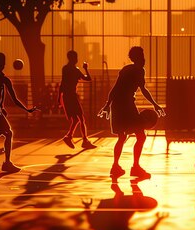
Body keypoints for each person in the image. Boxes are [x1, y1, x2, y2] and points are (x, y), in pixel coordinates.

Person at [98, 46, 165, 180]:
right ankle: (135, 167)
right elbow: (143, 89)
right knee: (141, 136)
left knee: (122, 137)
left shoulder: (126, 69)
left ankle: (115, 167)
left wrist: (107, 105)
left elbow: (115, 88)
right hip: (127, 104)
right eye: (142, 55)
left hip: (117, 104)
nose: (144, 58)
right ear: (139, 57)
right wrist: (155, 104)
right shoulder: (139, 70)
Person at [58, 50, 97, 149]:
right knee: (80, 118)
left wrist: (59, 96)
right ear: (72, 58)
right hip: (70, 96)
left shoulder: (68, 69)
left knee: (76, 119)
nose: (76, 59)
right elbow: (88, 78)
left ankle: (69, 137)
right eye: (75, 57)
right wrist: (86, 69)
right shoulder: (73, 69)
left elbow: (62, 83)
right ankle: (84, 140)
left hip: (68, 96)